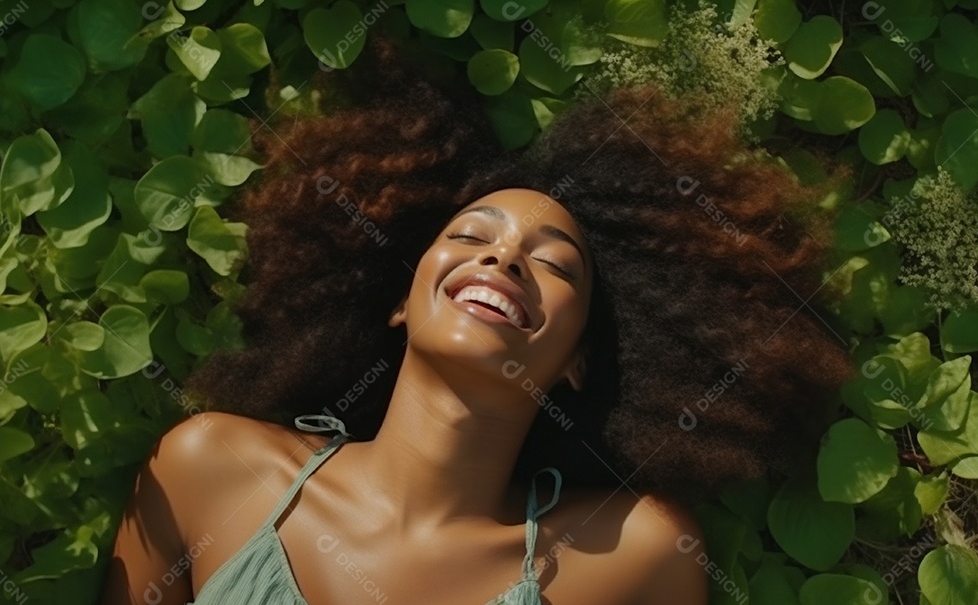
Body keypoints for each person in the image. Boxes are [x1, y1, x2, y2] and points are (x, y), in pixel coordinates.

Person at [102, 33, 854, 605]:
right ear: (399, 300)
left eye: (555, 264)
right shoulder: (212, 468)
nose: (502, 260)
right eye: (470, 236)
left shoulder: (635, 555)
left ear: (577, 360)